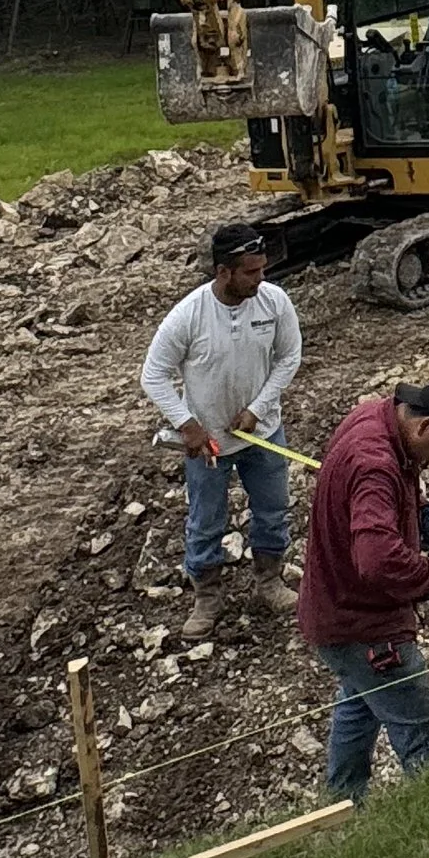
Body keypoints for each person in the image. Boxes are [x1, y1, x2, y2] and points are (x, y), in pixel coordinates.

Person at [297, 376, 429, 801]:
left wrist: (415, 509)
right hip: (362, 624)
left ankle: (342, 809)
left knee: (360, 705)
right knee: (422, 720)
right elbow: (377, 560)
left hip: (335, 607)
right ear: (424, 426)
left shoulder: (377, 416)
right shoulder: (375, 463)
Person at [139, 222, 305, 633]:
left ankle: (269, 580)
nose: (260, 279)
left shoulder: (274, 303)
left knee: (271, 511)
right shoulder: (189, 316)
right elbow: (153, 375)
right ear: (224, 272)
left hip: (263, 434)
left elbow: (289, 358)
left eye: (262, 269)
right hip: (208, 445)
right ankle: (207, 596)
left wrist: (257, 409)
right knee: (206, 520)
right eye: (251, 271)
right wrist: (188, 425)